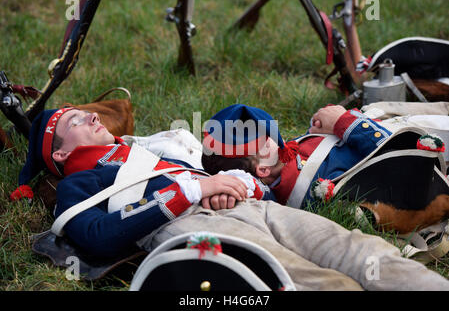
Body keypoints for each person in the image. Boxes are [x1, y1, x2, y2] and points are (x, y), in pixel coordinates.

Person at [10, 106, 449, 290]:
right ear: (61, 153)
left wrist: (236, 184)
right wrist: (193, 191)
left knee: (360, 250)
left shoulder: (146, 147)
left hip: (251, 207)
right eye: (70, 119)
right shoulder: (74, 185)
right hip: (190, 229)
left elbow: (204, 176)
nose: (88, 113)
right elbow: (98, 237)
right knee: (313, 282)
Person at [201, 103, 449, 211]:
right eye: (268, 141)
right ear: (263, 170)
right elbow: (400, 161)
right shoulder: (310, 187)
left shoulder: (286, 164)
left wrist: (321, 128)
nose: (283, 143)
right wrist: (344, 122)